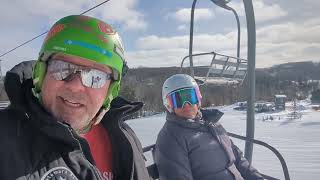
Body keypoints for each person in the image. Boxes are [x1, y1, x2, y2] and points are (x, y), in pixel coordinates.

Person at [0, 15, 150, 180]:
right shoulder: (5, 138)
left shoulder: (125, 135)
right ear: (40, 75)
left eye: (96, 77)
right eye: (62, 68)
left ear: (110, 91)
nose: (75, 86)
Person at [155, 74, 264, 180]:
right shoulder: (170, 138)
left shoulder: (211, 122)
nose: (186, 104)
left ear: (198, 98)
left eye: (190, 97)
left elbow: (238, 158)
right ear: (168, 105)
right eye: (178, 100)